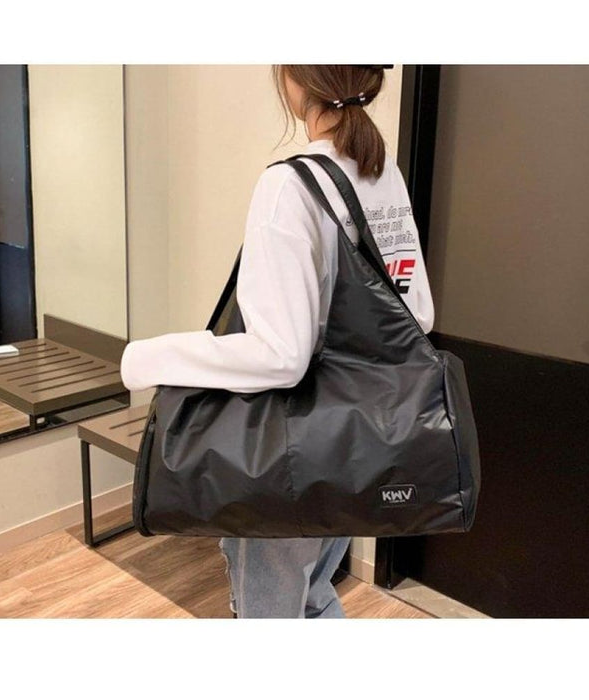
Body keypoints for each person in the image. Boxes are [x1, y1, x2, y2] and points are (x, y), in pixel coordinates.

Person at [120, 65, 435, 618]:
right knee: (313, 593)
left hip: (291, 450)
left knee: (271, 612)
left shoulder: (289, 186)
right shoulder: (381, 171)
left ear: (296, 79)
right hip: (360, 445)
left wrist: (150, 357)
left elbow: (281, 356)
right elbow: (418, 315)